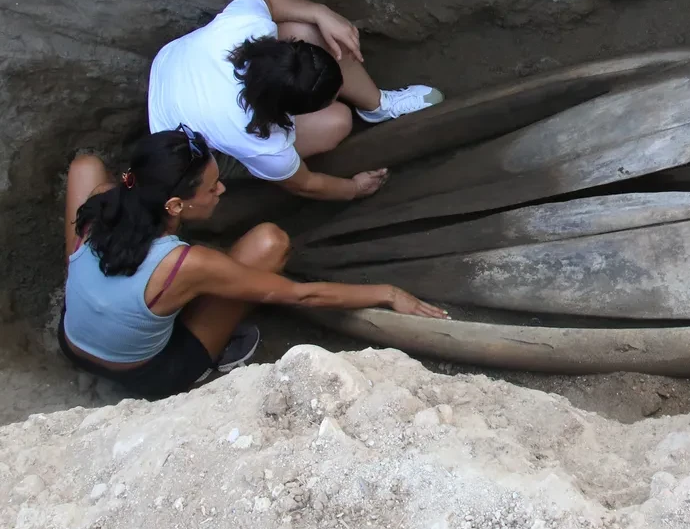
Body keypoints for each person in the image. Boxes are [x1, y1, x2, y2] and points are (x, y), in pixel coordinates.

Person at [60, 126, 446, 400]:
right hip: (151, 374)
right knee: (269, 244)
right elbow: (300, 296)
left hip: (72, 342)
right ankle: (206, 361)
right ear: (175, 205)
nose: (221, 190)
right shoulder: (186, 263)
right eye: (212, 188)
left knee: (86, 164)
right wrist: (387, 293)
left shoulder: (99, 201)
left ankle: (99, 301)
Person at [148, 0, 442, 201]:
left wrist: (321, 12)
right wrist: (353, 189)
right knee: (338, 121)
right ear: (287, 113)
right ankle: (356, 109)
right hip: (190, 148)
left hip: (174, 73)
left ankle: (377, 105)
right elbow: (304, 183)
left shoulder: (244, 27)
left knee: (309, 29)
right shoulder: (258, 140)